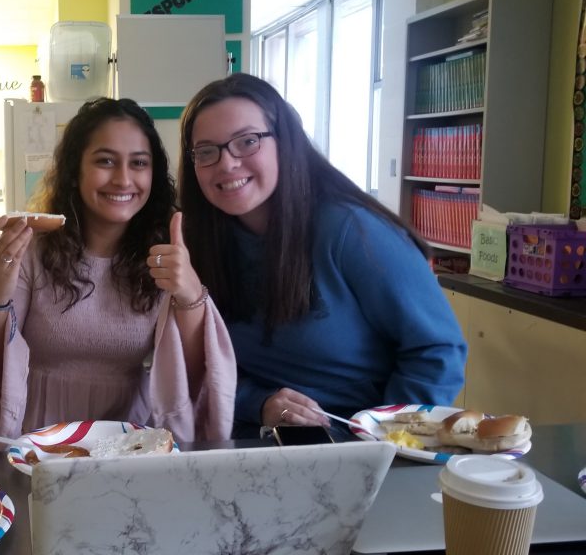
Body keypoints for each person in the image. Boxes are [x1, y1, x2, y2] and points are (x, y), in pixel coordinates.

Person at [177, 73, 467, 439]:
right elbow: (204, 365)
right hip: (248, 442)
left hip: (355, 448)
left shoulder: (351, 230)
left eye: (247, 141)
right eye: (206, 151)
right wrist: (260, 403)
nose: (227, 163)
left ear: (284, 142)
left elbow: (437, 349)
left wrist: (386, 443)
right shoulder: (200, 243)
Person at [0, 97, 236, 452]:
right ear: (75, 172)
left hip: (128, 446)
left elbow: (195, 377)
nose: (123, 179)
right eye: (105, 161)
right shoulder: (35, 250)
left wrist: (190, 292)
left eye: (139, 163)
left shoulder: (164, 253)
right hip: (36, 440)